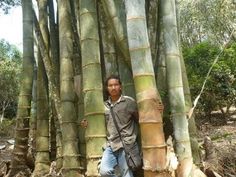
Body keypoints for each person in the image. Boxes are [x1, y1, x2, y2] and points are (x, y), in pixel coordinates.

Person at [99, 75, 140, 177]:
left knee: (127, 174)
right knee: (104, 172)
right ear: (107, 88)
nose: (113, 88)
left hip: (126, 144)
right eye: (110, 85)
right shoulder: (104, 106)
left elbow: (140, 119)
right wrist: (86, 123)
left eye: (116, 85)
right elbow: (99, 123)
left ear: (120, 86)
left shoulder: (128, 102)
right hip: (111, 145)